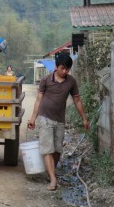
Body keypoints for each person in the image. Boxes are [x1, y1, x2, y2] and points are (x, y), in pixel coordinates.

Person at [27, 53, 89, 191]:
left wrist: (84, 118)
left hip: (60, 119)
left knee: (57, 150)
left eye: (67, 69)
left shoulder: (71, 82)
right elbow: (38, 100)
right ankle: (53, 179)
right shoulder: (46, 80)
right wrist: (33, 118)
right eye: (62, 68)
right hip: (45, 117)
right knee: (47, 148)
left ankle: (50, 172)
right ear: (56, 66)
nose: (65, 71)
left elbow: (77, 100)